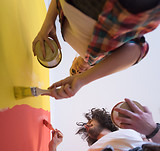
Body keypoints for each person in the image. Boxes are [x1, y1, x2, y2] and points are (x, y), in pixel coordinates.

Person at [32, 0, 160, 99]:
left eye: (74, 70)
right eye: (79, 72)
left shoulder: (67, 37)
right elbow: (139, 49)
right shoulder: (106, 59)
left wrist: (48, 24)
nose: (78, 70)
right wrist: (82, 80)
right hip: (123, 9)